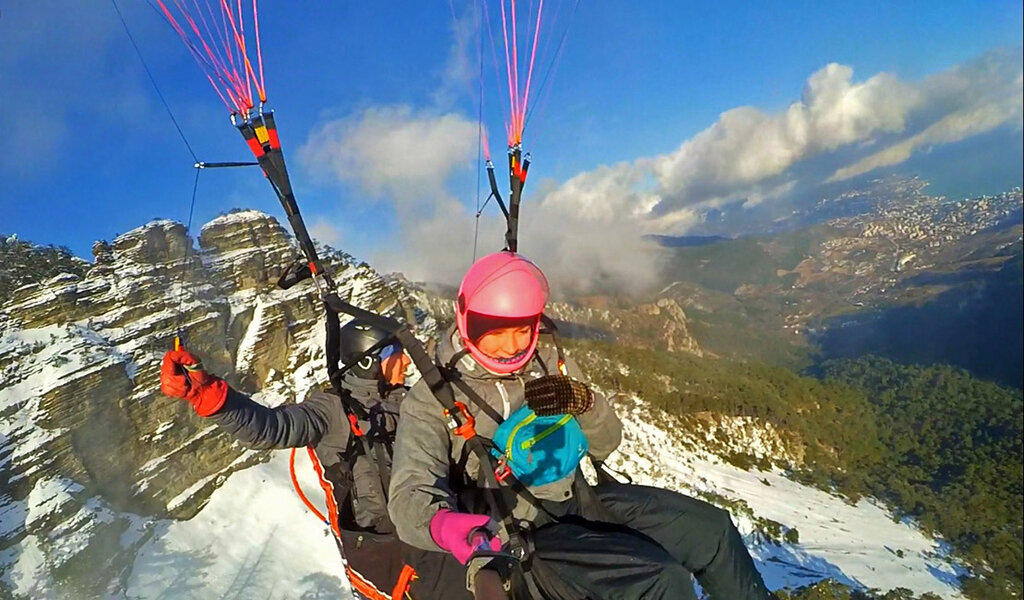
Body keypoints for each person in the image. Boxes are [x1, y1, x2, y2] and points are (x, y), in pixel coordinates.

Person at [388, 251, 775, 600]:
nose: (511, 347)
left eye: (522, 330)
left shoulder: (545, 362)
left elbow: (607, 443)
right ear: (468, 322)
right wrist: (446, 526)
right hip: (514, 531)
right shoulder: (432, 398)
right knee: (659, 579)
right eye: (496, 333)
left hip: (576, 498)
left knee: (711, 530)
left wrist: (586, 404)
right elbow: (410, 495)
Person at [160, 319, 471, 600]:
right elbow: (271, 428)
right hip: (391, 556)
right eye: (395, 352)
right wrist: (209, 394)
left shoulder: (408, 400)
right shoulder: (331, 410)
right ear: (367, 361)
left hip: (433, 529)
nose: (405, 360)